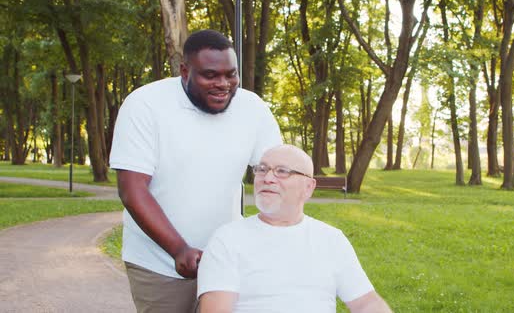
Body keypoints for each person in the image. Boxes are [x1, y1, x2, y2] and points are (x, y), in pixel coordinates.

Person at [109, 29, 282, 312]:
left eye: (231, 74)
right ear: (184, 71)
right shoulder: (145, 105)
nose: (223, 84)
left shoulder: (252, 108)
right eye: (210, 75)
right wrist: (178, 249)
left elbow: (278, 172)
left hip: (227, 261)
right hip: (159, 265)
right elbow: (131, 189)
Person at [197, 144, 393, 313]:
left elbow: (366, 303)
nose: (268, 178)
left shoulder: (331, 239)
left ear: (309, 187)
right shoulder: (228, 239)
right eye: (262, 169)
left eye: (282, 171)